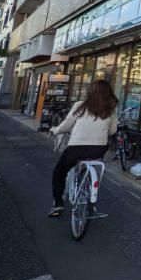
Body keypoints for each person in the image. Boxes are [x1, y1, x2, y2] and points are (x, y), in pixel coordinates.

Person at [49, 80, 118, 217]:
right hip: (98, 149)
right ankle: (87, 188)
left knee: (59, 172)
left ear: (90, 91)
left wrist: (55, 130)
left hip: (76, 149)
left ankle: (58, 204)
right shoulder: (110, 110)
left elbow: (67, 125)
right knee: (87, 161)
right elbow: (112, 131)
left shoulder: (80, 106)